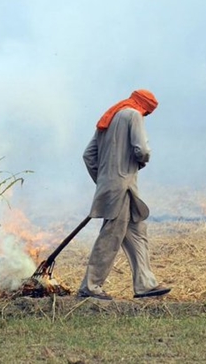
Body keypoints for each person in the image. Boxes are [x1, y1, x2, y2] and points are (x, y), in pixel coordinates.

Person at [78, 89, 171, 300]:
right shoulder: (133, 115)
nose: (145, 116)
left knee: (137, 233)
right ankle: (90, 287)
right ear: (146, 108)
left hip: (113, 188)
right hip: (123, 189)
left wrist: (104, 179)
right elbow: (142, 150)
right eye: (148, 112)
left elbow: (88, 155)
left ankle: (146, 284)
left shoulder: (109, 117)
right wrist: (139, 162)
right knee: (111, 237)